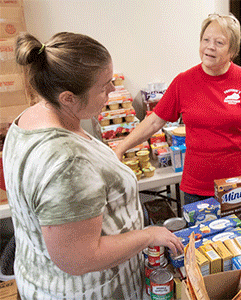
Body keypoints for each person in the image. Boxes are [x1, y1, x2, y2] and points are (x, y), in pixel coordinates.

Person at [3, 32, 183, 299]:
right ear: (67, 98)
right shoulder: (67, 161)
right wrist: (147, 236)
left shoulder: (30, 117)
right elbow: (79, 259)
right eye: (103, 87)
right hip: (85, 291)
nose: (112, 91)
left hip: (40, 275)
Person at [114, 14, 241, 204]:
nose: (210, 46)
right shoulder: (184, 81)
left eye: (219, 42)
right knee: (198, 233)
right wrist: (121, 147)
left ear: (232, 50)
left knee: (238, 233)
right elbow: (155, 120)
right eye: (206, 40)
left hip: (237, 185)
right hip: (196, 184)